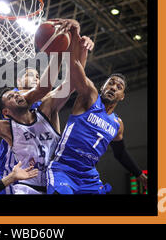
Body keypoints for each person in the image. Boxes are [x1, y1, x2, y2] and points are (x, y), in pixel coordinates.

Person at [0, 20, 95, 194]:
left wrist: (75, 41)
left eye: (37, 75)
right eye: (30, 74)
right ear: (18, 82)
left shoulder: (45, 105)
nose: (35, 77)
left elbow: (70, 83)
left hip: (52, 181)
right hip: (15, 179)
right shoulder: (14, 111)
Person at [47, 24, 147, 195]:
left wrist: (139, 175)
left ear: (122, 96)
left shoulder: (118, 124)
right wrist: (74, 35)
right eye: (111, 83)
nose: (113, 87)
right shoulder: (90, 98)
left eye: (119, 86)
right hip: (63, 169)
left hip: (88, 176)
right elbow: (75, 66)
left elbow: (120, 153)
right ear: (103, 87)